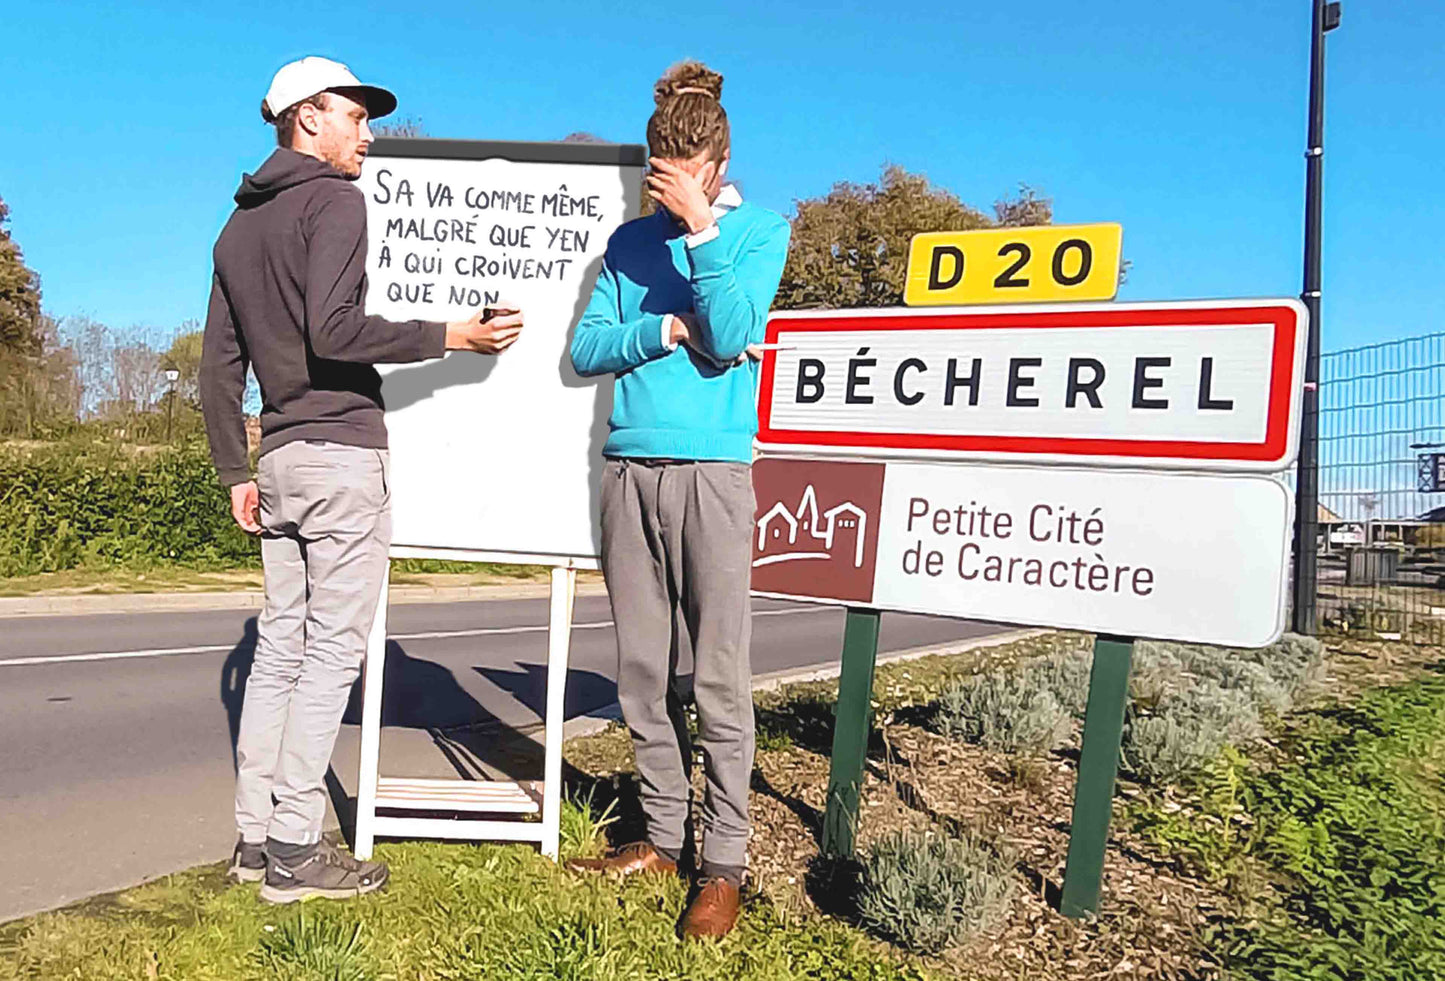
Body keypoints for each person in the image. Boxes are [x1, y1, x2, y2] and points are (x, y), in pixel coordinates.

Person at [200, 56, 522, 904]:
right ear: (308, 118)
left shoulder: (236, 229)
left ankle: (254, 836)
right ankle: (298, 849)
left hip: (279, 459)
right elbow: (336, 329)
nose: (367, 136)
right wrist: (452, 333)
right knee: (328, 656)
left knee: (277, 649)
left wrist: (236, 467)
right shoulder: (333, 199)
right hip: (341, 451)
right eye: (356, 117)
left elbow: (217, 368)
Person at [566, 60, 790, 939]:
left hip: (713, 473)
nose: (663, 194)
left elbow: (735, 332)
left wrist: (701, 236)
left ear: (716, 163)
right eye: (654, 179)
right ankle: (661, 834)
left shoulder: (761, 231)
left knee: (720, 678)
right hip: (628, 468)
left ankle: (722, 863)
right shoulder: (626, 245)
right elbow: (586, 349)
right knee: (641, 673)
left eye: (680, 179)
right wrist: (661, 327)